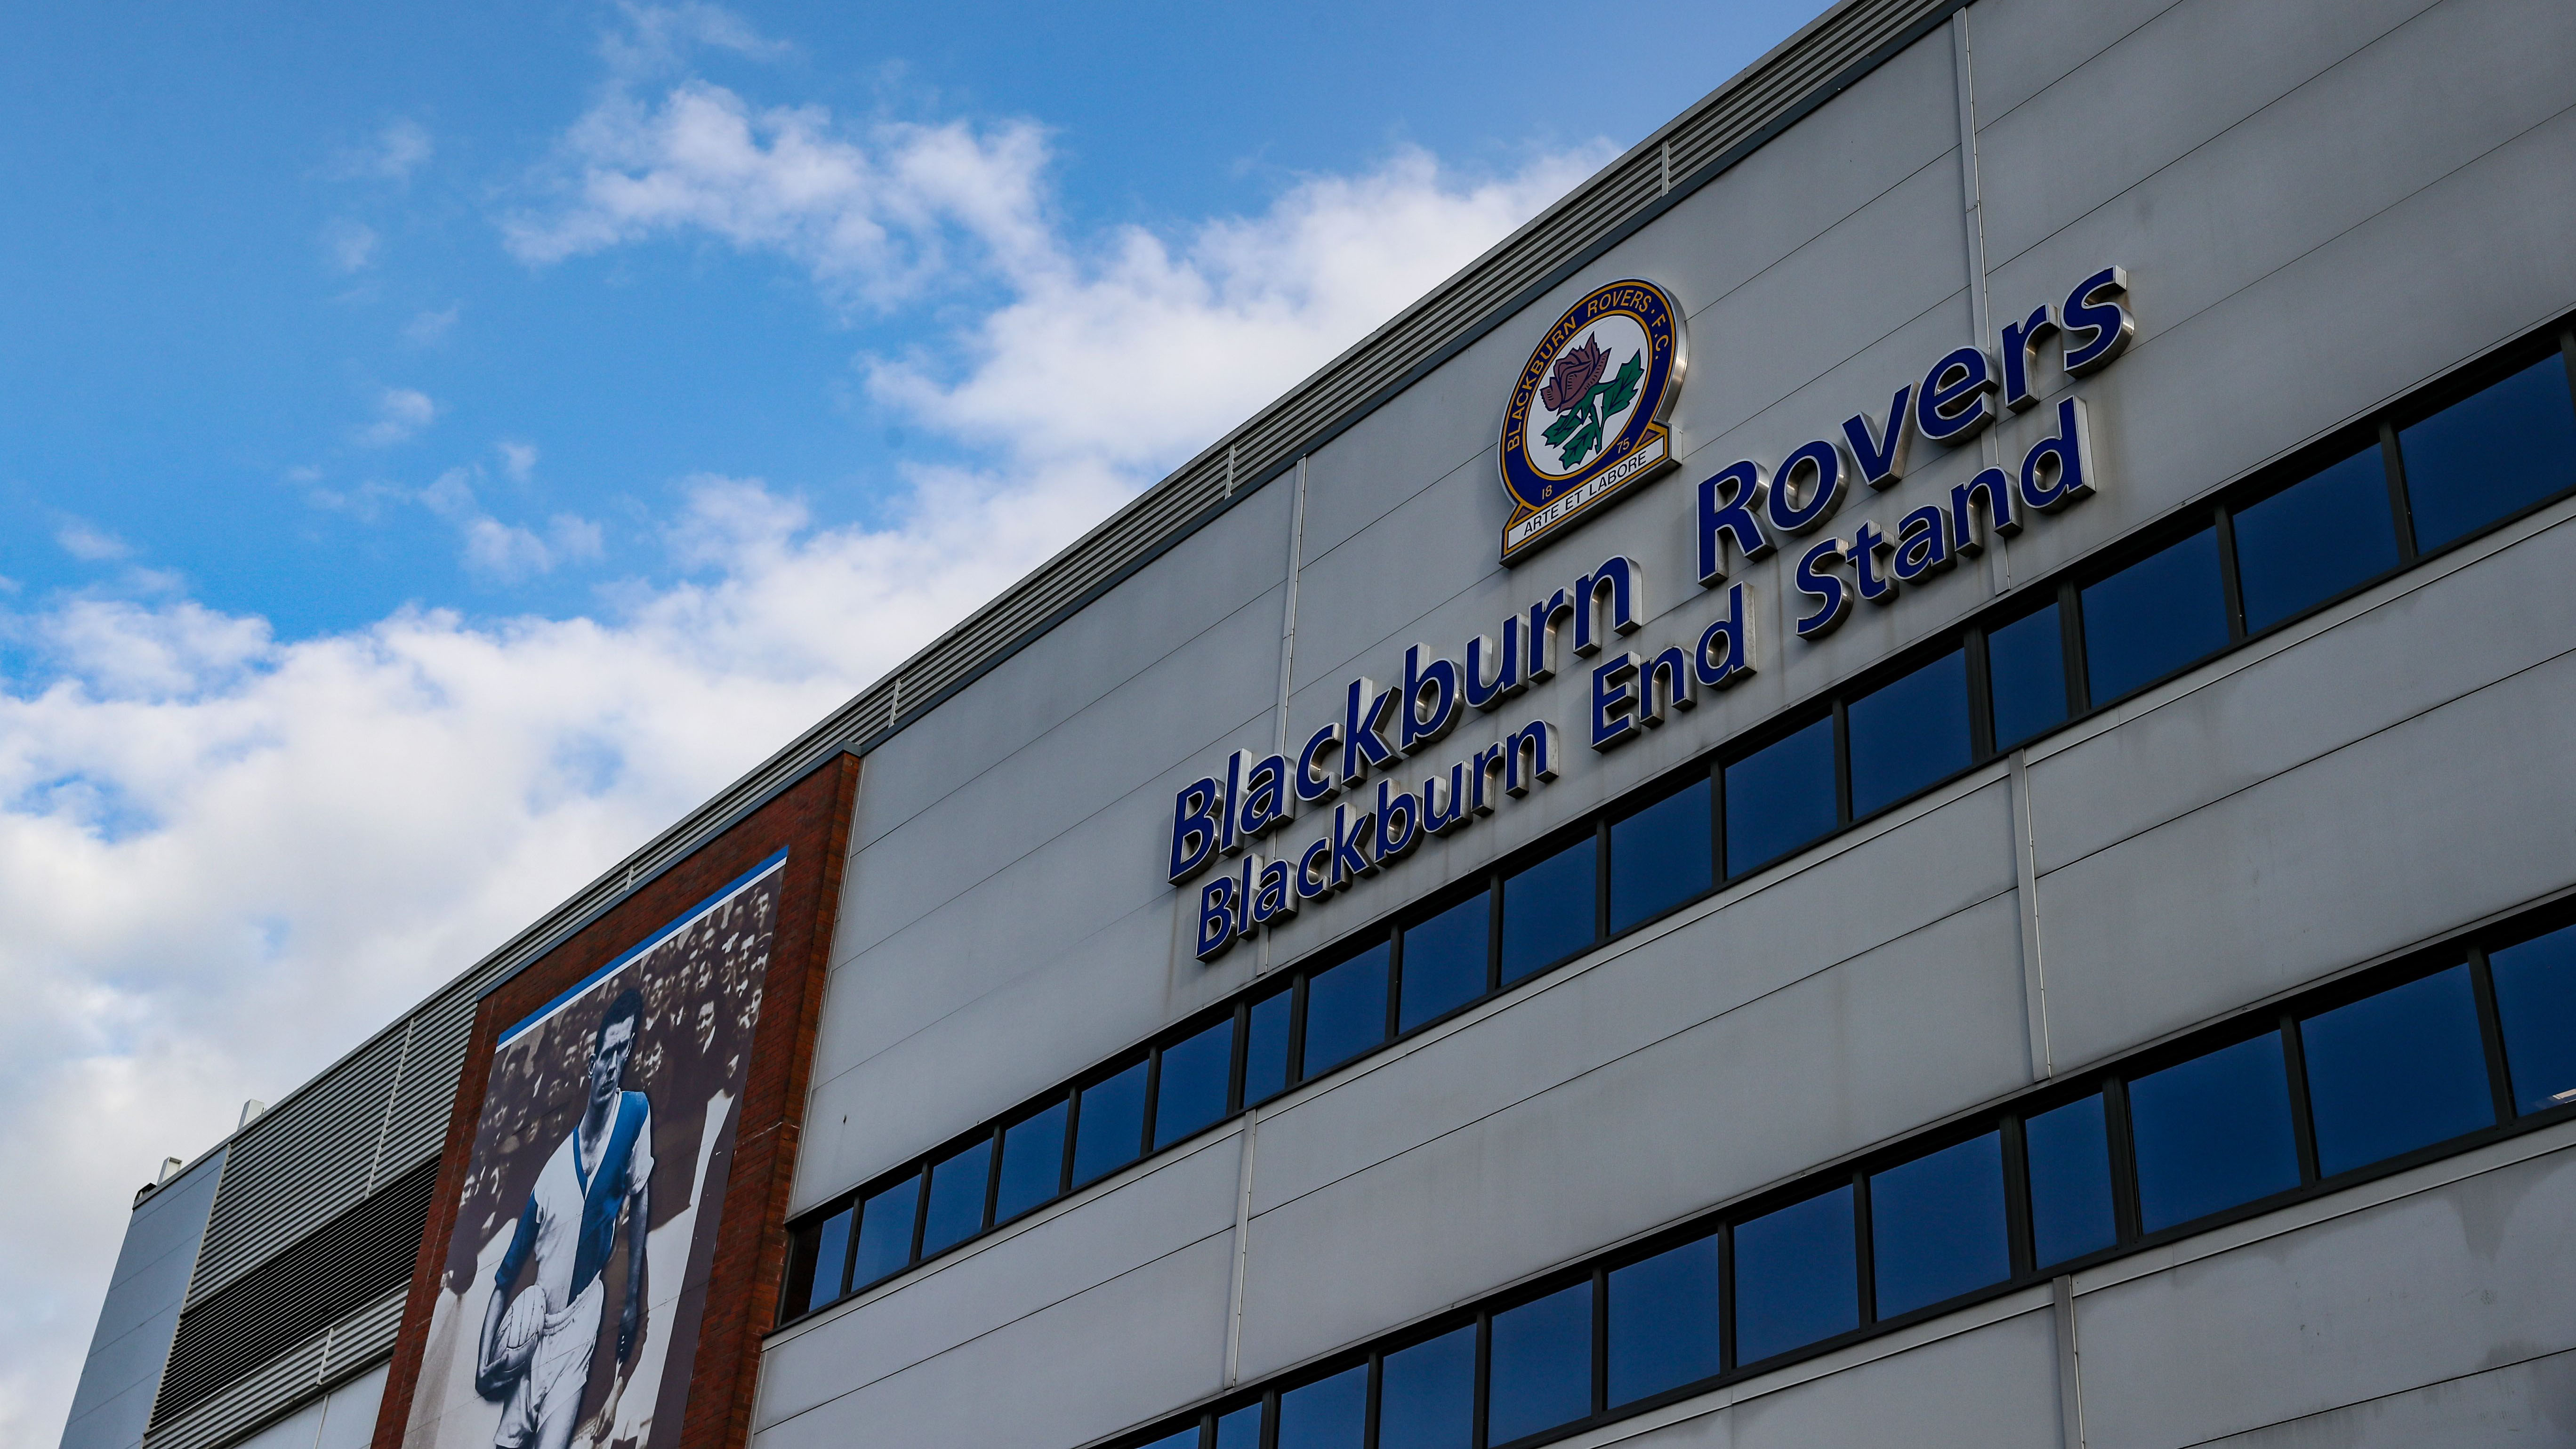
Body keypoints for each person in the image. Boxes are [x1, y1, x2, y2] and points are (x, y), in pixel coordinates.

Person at [476, 986, 655, 1449]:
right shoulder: (552, 1173)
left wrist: (633, 1294)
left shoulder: (636, 1112)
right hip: (538, 1322)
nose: (614, 1064)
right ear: (590, 1062)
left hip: (582, 1317)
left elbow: (641, 1192)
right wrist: (484, 1366)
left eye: (624, 1051)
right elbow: (504, 1277)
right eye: (607, 1054)